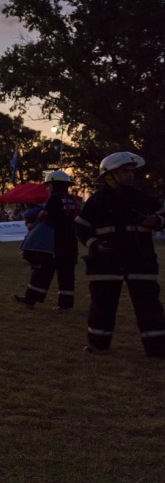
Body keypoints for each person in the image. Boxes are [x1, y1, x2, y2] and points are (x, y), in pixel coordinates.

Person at [73, 152, 165, 357]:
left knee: (149, 306)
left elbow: (163, 214)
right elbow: (81, 228)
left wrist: (157, 221)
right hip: (106, 262)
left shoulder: (142, 198)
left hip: (140, 260)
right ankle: (98, 344)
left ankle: (158, 348)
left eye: (132, 171)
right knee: (102, 305)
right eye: (125, 171)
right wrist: (95, 244)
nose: (131, 175)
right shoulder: (96, 201)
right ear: (109, 175)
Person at [13, 171, 80, 310]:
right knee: (66, 274)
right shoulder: (73, 199)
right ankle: (65, 304)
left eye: (48, 185)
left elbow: (44, 213)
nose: (47, 189)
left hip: (54, 241)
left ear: (55, 185)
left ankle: (30, 299)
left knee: (42, 270)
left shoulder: (54, 198)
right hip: (71, 241)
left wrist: (33, 225)